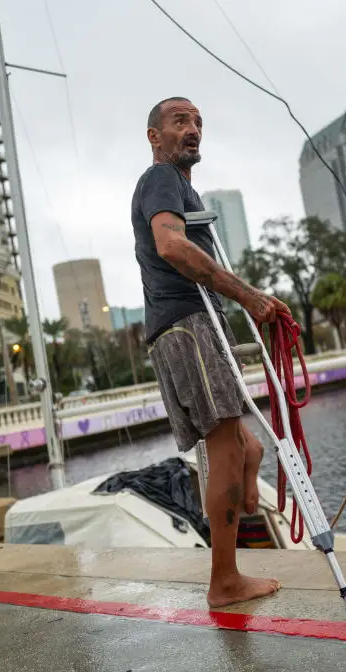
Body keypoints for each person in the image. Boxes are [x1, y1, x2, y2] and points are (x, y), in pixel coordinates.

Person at [131, 96, 288, 607]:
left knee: (249, 449)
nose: (193, 128)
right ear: (155, 135)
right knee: (225, 449)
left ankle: (236, 533)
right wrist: (249, 295)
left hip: (198, 325)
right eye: (180, 121)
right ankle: (224, 580)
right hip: (187, 325)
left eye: (198, 121)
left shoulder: (182, 188)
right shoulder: (160, 180)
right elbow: (171, 246)